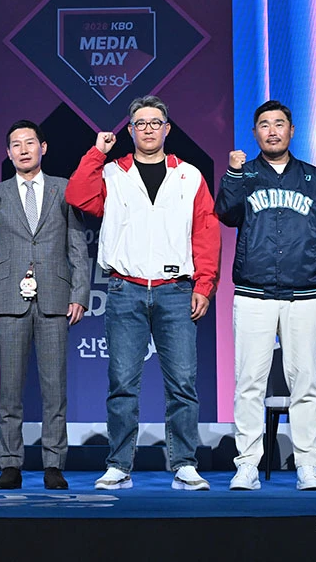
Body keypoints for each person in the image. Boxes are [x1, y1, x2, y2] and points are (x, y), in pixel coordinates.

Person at [65, 95, 220, 492]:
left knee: (183, 383)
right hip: (125, 289)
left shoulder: (189, 175)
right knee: (122, 383)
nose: (148, 129)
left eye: (155, 122)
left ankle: (185, 464)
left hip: (175, 290)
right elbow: (78, 196)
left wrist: (204, 284)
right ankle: (118, 465)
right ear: (130, 131)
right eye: (140, 123)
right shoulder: (112, 172)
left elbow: (205, 231)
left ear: (167, 129)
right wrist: (97, 153)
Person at [0, 119, 91, 491]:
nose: (23, 149)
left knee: (55, 389)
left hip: (55, 296)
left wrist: (79, 295)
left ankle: (53, 464)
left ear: (43, 148)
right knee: (10, 389)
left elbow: (77, 247)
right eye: (16, 144)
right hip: (10, 297)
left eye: (29, 142)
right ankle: (10, 464)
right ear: (8, 153)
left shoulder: (64, 189)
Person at [216, 99, 316, 492]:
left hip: (302, 294)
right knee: (249, 381)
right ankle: (247, 464)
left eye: (279, 123)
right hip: (254, 293)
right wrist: (233, 174)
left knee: (305, 382)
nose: (272, 131)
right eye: (264, 124)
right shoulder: (245, 173)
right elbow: (226, 213)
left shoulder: (313, 177)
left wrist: (305, 261)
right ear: (255, 133)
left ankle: (308, 465)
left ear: (292, 130)